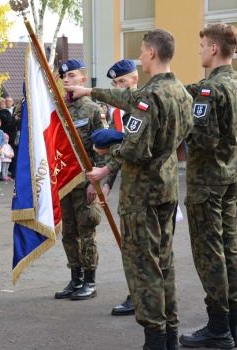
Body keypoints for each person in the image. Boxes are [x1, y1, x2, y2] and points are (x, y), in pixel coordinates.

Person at [66, 29, 193, 349]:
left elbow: (135, 147)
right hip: (166, 189)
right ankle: (169, 335)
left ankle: (154, 337)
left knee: (143, 266)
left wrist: (106, 166)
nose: (140, 56)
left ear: (151, 53)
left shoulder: (151, 97)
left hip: (142, 195)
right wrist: (89, 90)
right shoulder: (181, 92)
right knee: (164, 263)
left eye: (142, 51)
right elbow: (177, 137)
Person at [179, 24, 237, 349]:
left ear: (214, 49)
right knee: (231, 249)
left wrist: (182, 136)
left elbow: (204, 138)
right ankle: (235, 325)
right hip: (229, 176)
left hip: (206, 181)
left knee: (210, 255)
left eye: (202, 44)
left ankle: (218, 327)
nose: (200, 50)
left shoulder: (210, 90)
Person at [54, 59, 105, 301]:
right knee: (69, 233)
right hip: (64, 180)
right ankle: (75, 278)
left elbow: (103, 147)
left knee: (87, 231)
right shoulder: (56, 110)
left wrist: (96, 181)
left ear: (82, 79)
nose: (67, 79)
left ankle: (90, 280)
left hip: (85, 180)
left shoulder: (93, 110)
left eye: (72, 75)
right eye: (64, 76)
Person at [103, 59, 139, 317]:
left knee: (149, 246)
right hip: (129, 187)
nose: (119, 88)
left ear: (135, 79)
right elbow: (117, 152)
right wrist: (107, 182)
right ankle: (136, 293)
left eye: (122, 82)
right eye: (115, 84)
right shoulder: (116, 113)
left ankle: (149, 297)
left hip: (151, 186)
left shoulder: (144, 105)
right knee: (131, 244)